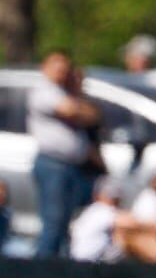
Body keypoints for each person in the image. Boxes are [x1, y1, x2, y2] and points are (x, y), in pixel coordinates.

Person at [27, 51, 102, 258]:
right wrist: (80, 109)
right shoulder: (44, 90)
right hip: (53, 164)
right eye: (57, 68)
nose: (62, 73)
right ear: (45, 67)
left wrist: (78, 102)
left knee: (65, 221)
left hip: (70, 166)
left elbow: (95, 115)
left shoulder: (64, 92)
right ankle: (44, 266)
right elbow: (71, 111)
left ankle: (59, 266)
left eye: (65, 69)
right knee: (54, 219)